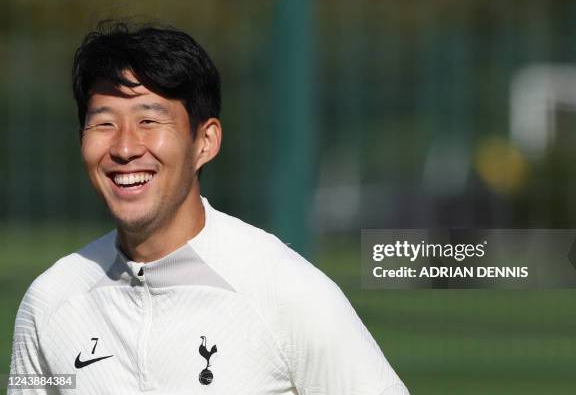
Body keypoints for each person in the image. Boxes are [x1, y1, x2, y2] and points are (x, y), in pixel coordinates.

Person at [9, 20, 409, 394]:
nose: (126, 148)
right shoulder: (51, 303)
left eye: (149, 121)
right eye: (104, 123)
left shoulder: (286, 290)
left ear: (205, 142)